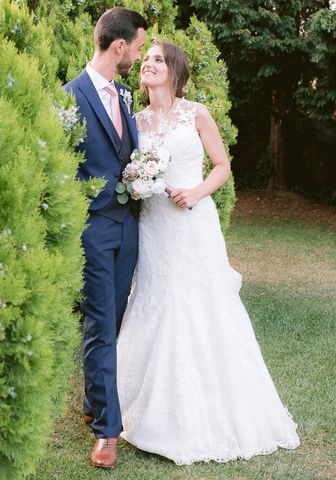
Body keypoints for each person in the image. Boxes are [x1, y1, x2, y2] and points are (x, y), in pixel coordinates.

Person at [116, 40, 300, 465]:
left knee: (200, 306)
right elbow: (130, 170)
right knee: (154, 301)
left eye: (158, 60)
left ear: (175, 71)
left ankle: (206, 411)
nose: (148, 65)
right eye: (145, 60)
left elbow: (222, 165)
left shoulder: (196, 113)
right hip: (154, 227)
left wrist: (196, 193)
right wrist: (137, 183)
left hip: (191, 225)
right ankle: (134, 408)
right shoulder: (135, 120)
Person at [64, 7, 148, 469]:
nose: (137, 56)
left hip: (127, 227)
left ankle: (95, 403)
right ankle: (106, 432)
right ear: (119, 46)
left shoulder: (125, 95)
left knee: (111, 322)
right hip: (94, 229)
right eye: (136, 48)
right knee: (99, 321)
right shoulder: (69, 96)